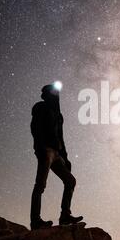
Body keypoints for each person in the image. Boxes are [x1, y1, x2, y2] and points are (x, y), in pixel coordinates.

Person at [30, 82, 83, 230]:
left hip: (57, 153)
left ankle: (65, 216)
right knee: (40, 184)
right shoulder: (40, 107)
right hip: (45, 150)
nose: (56, 96)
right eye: (53, 93)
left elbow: (61, 137)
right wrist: (39, 147)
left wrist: (65, 157)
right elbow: (35, 127)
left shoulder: (59, 115)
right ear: (47, 95)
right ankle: (35, 221)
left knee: (70, 181)